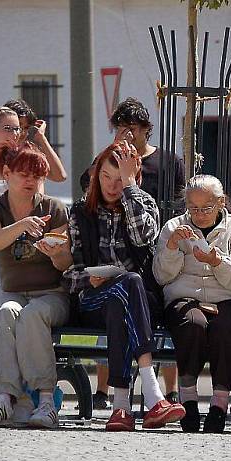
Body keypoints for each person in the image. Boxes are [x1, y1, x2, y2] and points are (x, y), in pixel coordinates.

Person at [61, 141, 185, 432]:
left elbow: (144, 238)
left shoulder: (144, 203)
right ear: (95, 175)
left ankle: (121, 407)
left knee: (126, 289)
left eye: (121, 179)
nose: (112, 186)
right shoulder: (80, 212)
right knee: (125, 286)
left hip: (137, 302)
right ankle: (152, 393)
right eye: (106, 177)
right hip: (94, 300)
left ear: (133, 178)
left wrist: (131, 188)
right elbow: (69, 273)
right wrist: (87, 279)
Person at [80, 97, 183, 406]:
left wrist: (129, 184)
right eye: (121, 129)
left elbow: (157, 225)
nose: (127, 136)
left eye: (133, 129)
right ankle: (133, 394)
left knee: (134, 287)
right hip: (108, 280)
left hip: (149, 256)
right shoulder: (103, 165)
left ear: (146, 131)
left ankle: (139, 396)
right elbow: (89, 190)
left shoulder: (167, 162)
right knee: (124, 292)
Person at [0, 102, 67, 371]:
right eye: (8, 128)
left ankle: (13, 382)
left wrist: (40, 138)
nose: (14, 134)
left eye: (18, 129)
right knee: (2, 313)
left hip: (29, 250)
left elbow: (59, 175)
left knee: (17, 316)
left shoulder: (28, 160)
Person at [0, 144, 69, 428]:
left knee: (33, 314)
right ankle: (3, 398)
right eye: (24, 174)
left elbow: (66, 264)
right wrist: (23, 225)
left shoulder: (53, 208)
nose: (31, 181)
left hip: (52, 296)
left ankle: (44, 401)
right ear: (7, 173)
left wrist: (56, 253)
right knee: (6, 311)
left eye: (38, 176)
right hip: (15, 292)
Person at [153, 175, 231, 433]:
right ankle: (188, 399)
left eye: (206, 207)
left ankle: (219, 403)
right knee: (192, 324)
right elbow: (162, 277)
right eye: (193, 208)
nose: (199, 215)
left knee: (228, 328)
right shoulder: (174, 226)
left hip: (226, 295)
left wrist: (217, 261)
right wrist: (173, 247)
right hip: (184, 295)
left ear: (220, 202)